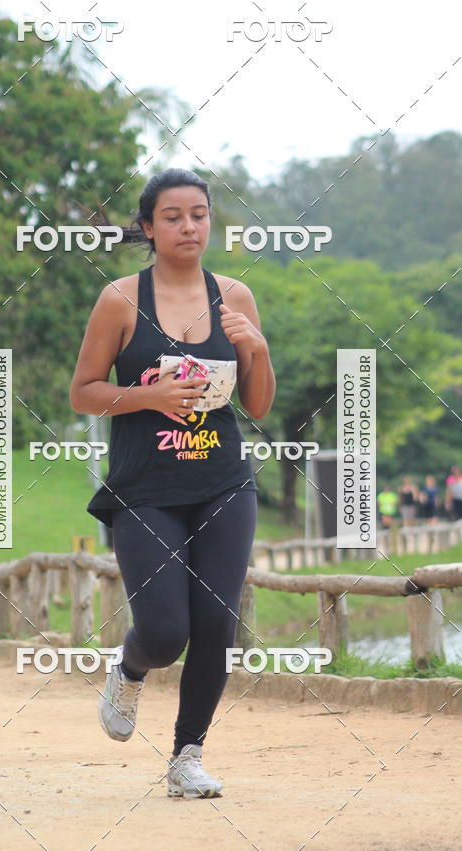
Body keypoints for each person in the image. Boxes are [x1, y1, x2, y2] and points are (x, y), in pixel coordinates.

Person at [69, 168, 275, 799]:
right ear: (150, 227)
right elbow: (84, 393)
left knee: (216, 620)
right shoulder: (120, 300)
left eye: (199, 214)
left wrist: (258, 351)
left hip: (223, 483)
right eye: (173, 216)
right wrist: (148, 395)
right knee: (164, 631)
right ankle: (129, 669)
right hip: (147, 487)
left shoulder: (235, 296)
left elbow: (259, 406)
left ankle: (187, 757)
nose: (189, 226)